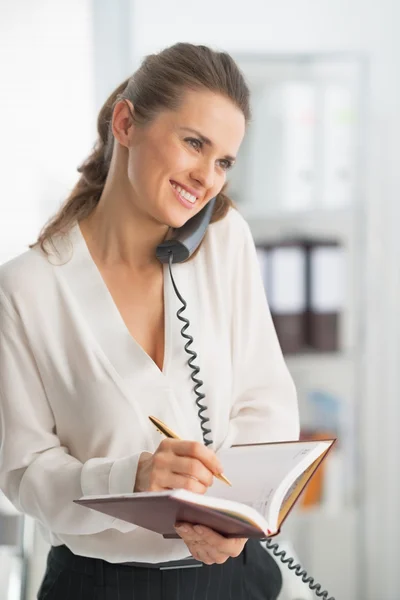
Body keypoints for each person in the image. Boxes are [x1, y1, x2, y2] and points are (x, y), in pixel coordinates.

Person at [0, 43, 299, 600]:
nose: (207, 178)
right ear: (126, 123)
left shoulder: (223, 242)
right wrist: (128, 479)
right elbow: (25, 474)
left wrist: (228, 517)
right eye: (194, 143)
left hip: (234, 576)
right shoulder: (26, 289)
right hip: (99, 585)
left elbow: (266, 404)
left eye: (224, 162)